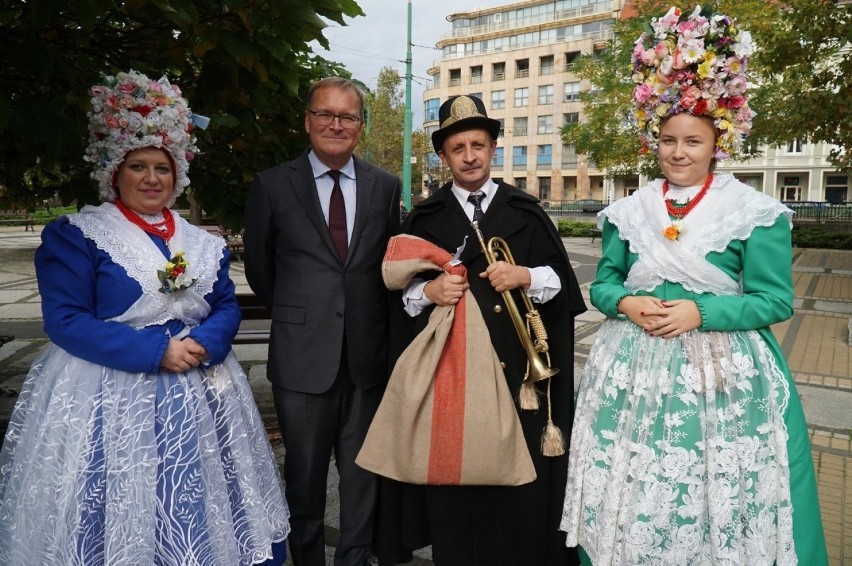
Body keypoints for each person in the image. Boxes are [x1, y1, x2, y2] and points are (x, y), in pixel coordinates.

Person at [560, 6, 829, 565]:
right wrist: (627, 302)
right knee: (635, 494)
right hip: (629, 376)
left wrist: (698, 313)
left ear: (717, 143)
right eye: (667, 140)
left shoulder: (755, 212)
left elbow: (776, 300)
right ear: (653, 141)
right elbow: (602, 286)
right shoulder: (628, 212)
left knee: (715, 499)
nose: (678, 152)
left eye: (693, 141)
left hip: (722, 381)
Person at [0, 70, 290, 565]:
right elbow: (66, 320)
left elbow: (223, 303)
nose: (152, 178)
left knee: (199, 490)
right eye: (138, 166)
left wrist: (207, 343)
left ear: (177, 174)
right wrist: (157, 351)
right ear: (115, 172)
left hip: (202, 386)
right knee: (117, 493)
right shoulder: (79, 235)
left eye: (162, 167)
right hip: (109, 392)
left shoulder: (201, 241)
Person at [372, 94, 586, 566]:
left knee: (518, 493)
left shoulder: (525, 210)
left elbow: (565, 289)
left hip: (519, 383)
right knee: (457, 482)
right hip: (455, 376)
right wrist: (429, 295)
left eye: (478, 145)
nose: (469, 156)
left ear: (492, 149)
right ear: (443, 156)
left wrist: (524, 276)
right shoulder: (425, 219)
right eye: (457, 148)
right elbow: (399, 300)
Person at [243, 77, 401, 566]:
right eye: (326, 114)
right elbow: (261, 270)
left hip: (366, 361)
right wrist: (303, 315)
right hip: (302, 358)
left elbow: (390, 262)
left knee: (362, 479)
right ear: (308, 120)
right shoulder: (272, 185)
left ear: (360, 127)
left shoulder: (384, 185)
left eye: (347, 117)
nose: (336, 124)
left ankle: (352, 561)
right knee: (305, 480)